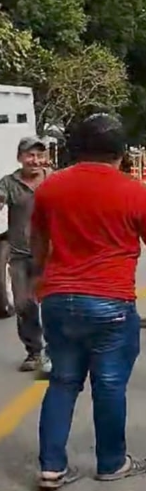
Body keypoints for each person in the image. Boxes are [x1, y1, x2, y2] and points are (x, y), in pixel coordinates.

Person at [31, 114, 146, 491]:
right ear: (121, 152)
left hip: (58, 299)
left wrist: (38, 278)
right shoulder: (135, 193)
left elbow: (37, 242)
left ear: (77, 147)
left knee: (63, 382)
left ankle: (51, 467)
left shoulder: (50, 189)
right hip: (110, 302)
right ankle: (112, 462)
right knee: (109, 385)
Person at [1, 137, 51, 372]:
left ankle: (55, 351)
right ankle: (33, 352)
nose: (36, 160)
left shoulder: (54, 180)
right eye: (30, 155)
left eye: (40, 155)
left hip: (52, 254)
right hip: (21, 255)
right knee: (24, 304)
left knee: (53, 305)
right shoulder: (9, 183)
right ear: (20, 158)